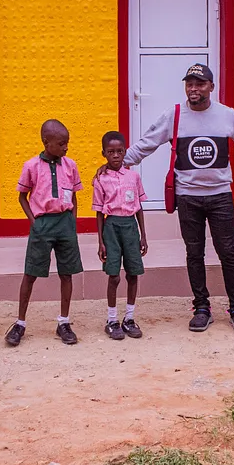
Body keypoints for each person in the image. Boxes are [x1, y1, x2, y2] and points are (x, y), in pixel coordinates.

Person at [120, 64, 234, 334]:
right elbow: (147, 143)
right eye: (189, 83)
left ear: (211, 87)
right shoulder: (175, 116)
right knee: (194, 253)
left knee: (228, 253)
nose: (194, 88)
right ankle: (202, 308)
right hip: (188, 198)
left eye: (200, 83)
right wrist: (119, 164)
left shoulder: (227, 116)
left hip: (220, 197)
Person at [6, 119, 84, 347]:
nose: (66, 147)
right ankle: (20, 323)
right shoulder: (31, 166)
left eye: (67, 143)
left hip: (65, 223)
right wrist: (34, 222)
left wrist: (73, 222)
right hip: (42, 224)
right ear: (46, 142)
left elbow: (75, 196)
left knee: (66, 273)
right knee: (30, 273)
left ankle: (64, 322)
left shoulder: (70, 165)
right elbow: (22, 196)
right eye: (61, 143)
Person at [92, 131, 148, 340]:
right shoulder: (100, 179)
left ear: (125, 152)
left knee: (133, 273)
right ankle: (112, 320)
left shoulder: (133, 176)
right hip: (112, 226)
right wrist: (100, 242)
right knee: (114, 275)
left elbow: (140, 206)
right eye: (110, 152)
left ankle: (130, 318)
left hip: (130, 226)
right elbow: (99, 211)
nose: (115, 155)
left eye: (119, 151)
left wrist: (143, 235)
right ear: (104, 154)